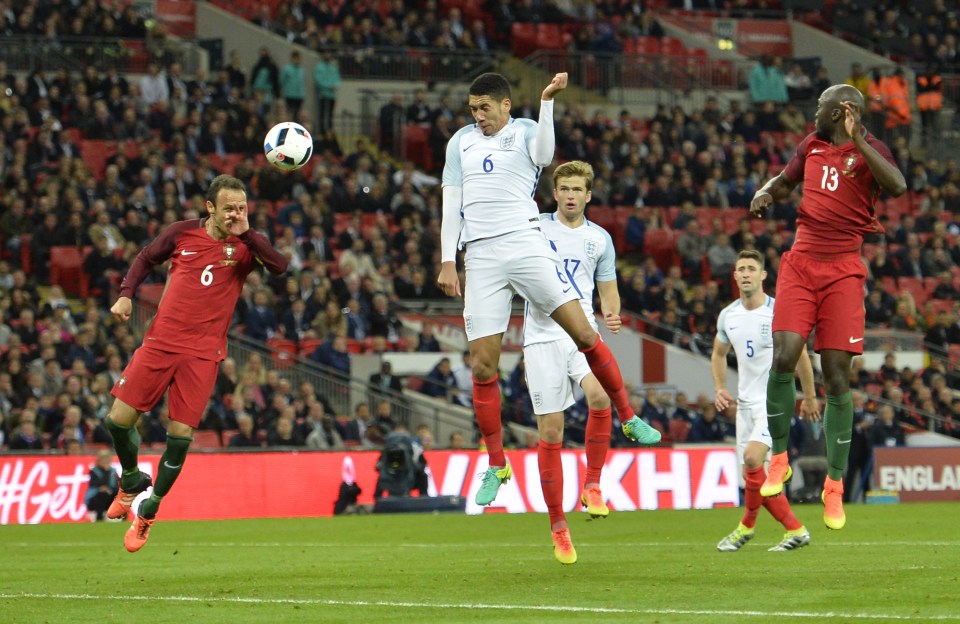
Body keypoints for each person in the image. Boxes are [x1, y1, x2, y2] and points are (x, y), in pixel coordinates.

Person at [436, 72, 660, 510]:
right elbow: (451, 200)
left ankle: (629, 418)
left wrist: (547, 102)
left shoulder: (526, 130)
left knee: (584, 333)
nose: (477, 116)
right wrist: (448, 258)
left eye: (484, 108)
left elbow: (545, 154)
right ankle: (497, 464)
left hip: (524, 243)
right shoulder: (459, 142)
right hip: (480, 256)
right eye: (472, 109)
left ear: (505, 106)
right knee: (483, 366)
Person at [103, 175, 289, 552]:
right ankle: (131, 479)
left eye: (242, 208)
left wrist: (248, 233)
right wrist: (126, 295)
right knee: (117, 421)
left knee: (180, 437)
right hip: (160, 343)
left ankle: (149, 510)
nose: (236, 214)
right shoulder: (181, 234)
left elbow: (280, 265)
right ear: (210, 209)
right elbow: (145, 257)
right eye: (229, 209)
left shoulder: (247, 245)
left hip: (202, 355)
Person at [749, 84, 906, 530]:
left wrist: (858, 140)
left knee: (837, 374)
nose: (813, 114)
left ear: (842, 111)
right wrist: (765, 191)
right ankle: (779, 458)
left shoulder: (872, 149)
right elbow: (784, 182)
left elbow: (897, 185)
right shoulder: (811, 145)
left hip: (843, 269)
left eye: (820, 107)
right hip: (800, 262)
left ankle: (833, 486)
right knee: (784, 353)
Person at [521, 160, 623, 564]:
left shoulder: (599, 239)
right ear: (555, 192)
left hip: (581, 332)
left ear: (588, 194)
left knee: (601, 397)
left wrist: (612, 312)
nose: (569, 195)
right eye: (563, 188)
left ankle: (593, 485)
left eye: (576, 189)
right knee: (551, 431)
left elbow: (607, 288)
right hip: (542, 337)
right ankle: (558, 525)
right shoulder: (536, 226)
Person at [712, 250, 818, 552]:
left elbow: (801, 356)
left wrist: (809, 396)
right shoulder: (728, 315)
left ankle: (760, 528)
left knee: (752, 459)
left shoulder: (778, 312)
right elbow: (718, 353)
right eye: (740, 268)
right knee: (753, 479)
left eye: (751, 269)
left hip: (773, 404)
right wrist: (720, 387)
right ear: (734, 275)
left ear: (762, 276)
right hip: (744, 407)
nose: (745, 273)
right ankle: (777, 529)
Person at [85, 449, 120, 522]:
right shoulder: (94, 471)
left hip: (109, 496)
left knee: (119, 495)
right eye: (103, 459)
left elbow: (117, 485)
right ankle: (99, 518)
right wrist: (106, 471)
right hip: (95, 498)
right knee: (102, 494)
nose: (105, 461)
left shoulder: (113, 471)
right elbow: (95, 484)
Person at [313, 49, 341, 134]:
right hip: (323, 94)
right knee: (322, 114)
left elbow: (337, 78)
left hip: (332, 95)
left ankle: (330, 130)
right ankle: (322, 131)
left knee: (330, 114)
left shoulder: (333, 67)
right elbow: (318, 80)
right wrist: (328, 86)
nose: (327, 55)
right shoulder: (319, 67)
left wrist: (335, 86)